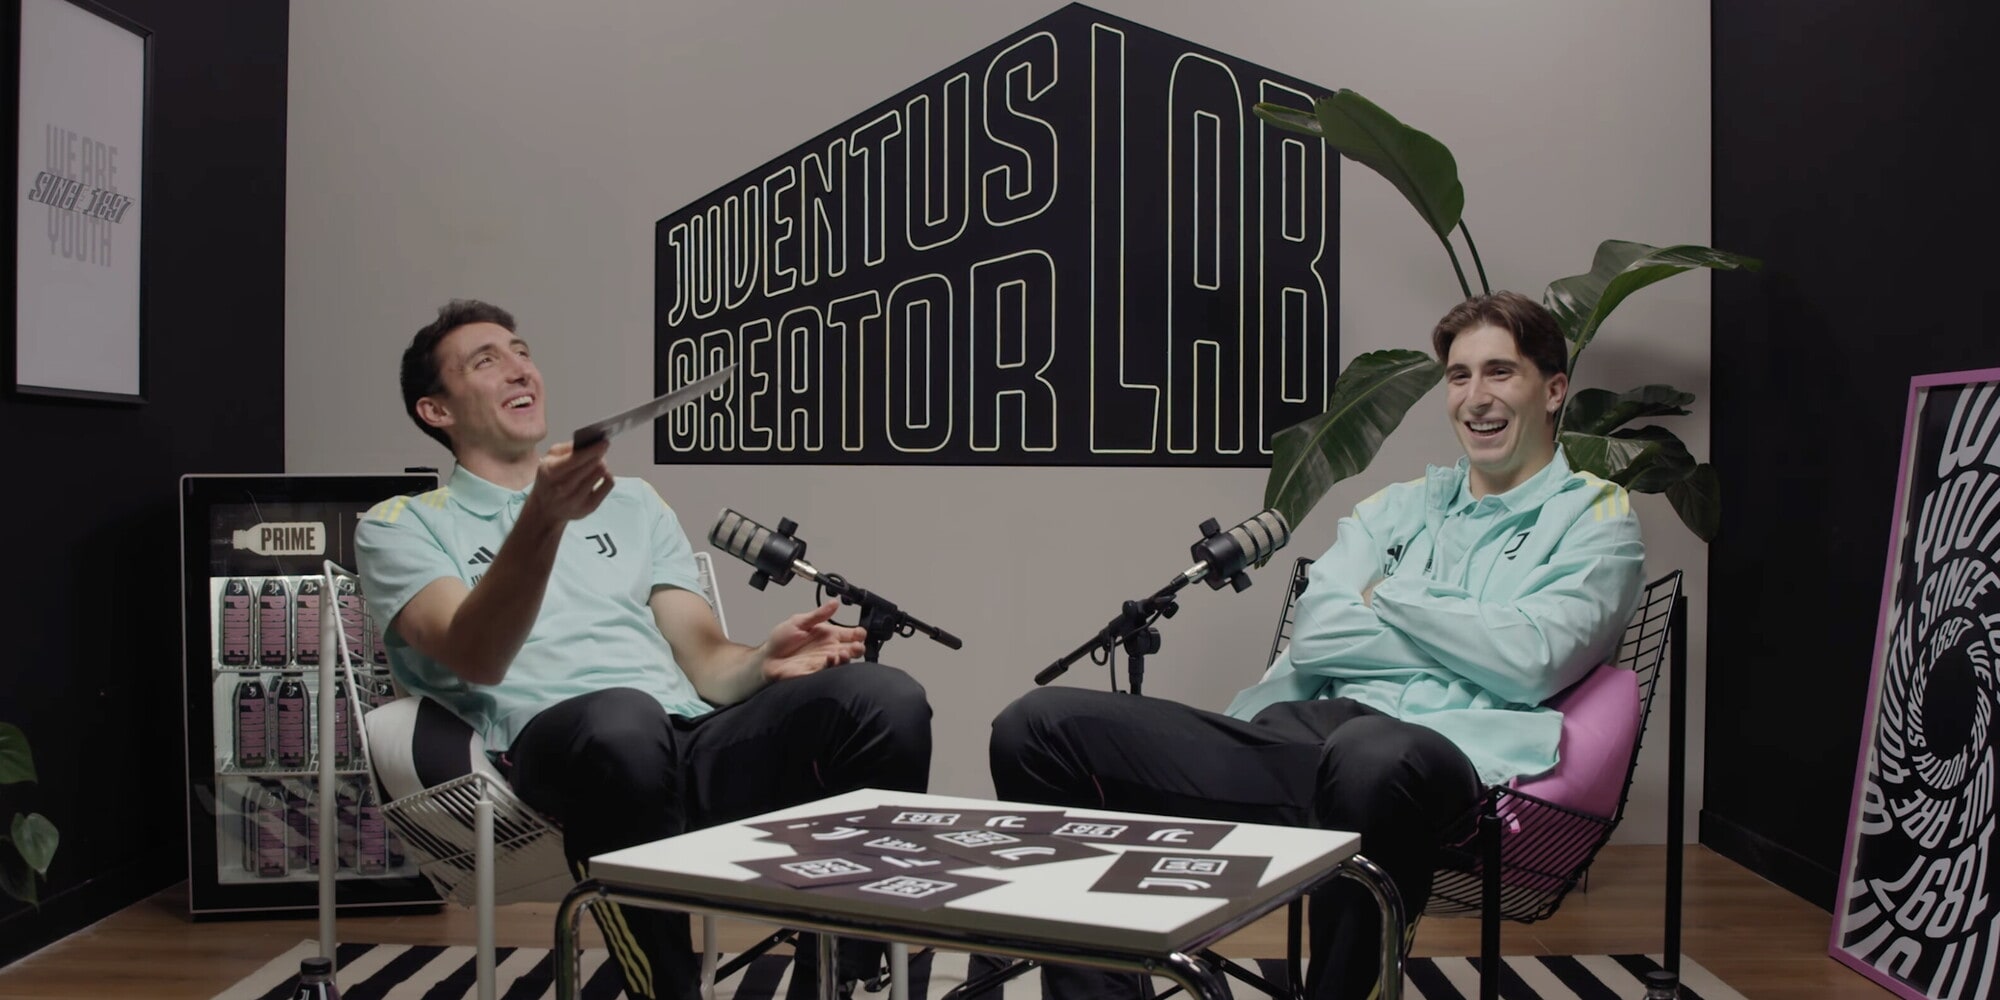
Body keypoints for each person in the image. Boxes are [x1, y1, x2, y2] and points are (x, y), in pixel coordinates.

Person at [989, 291, 1645, 999]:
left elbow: (1533, 660)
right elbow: (1319, 632)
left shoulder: (1595, 517)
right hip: (1297, 743)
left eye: (1500, 372)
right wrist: (1477, 631)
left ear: (1553, 390)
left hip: (1441, 763)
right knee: (1038, 726)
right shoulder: (1394, 506)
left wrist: (1391, 596)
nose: (1475, 397)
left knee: (1372, 755)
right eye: (1459, 376)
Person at [356, 299, 933, 1000]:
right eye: (486, 361)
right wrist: (543, 518)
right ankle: (667, 990)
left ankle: (834, 979)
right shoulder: (401, 525)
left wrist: (762, 661)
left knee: (885, 700)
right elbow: (473, 655)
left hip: (682, 739)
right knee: (622, 721)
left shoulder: (632, 502)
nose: (519, 369)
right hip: (554, 757)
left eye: (522, 352)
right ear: (436, 410)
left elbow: (706, 663)